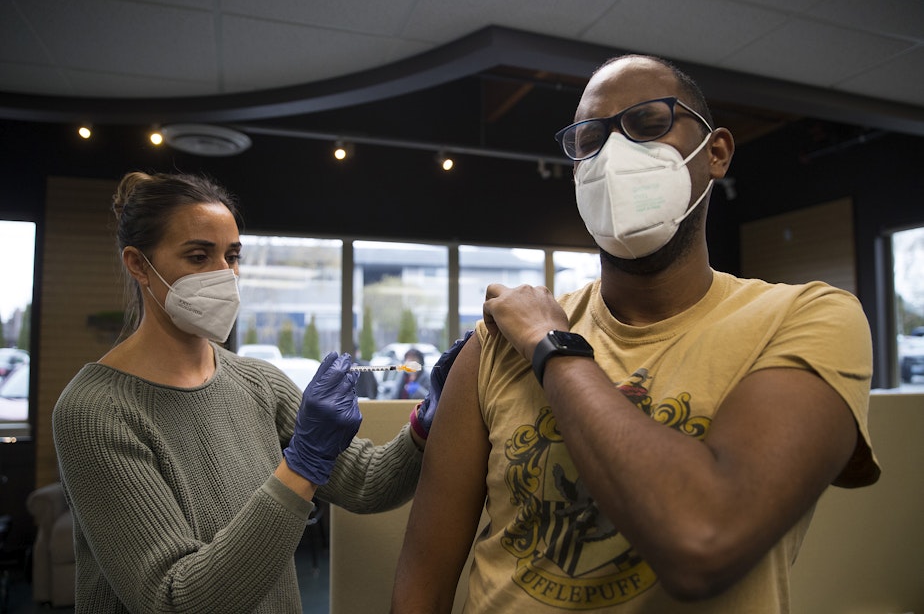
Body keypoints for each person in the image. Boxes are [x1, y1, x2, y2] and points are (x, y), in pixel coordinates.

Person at [391, 54, 880, 613]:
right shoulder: (497, 341)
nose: (615, 158)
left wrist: (553, 346)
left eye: (648, 125)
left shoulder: (806, 318)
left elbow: (705, 539)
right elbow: (420, 586)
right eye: (590, 140)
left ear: (716, 153)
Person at [51, 171, 462, 613]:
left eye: (231, 256)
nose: (223, 275)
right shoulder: (94, 411)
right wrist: (302, 466)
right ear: (138, 264)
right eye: (197, 256)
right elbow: (173, 600)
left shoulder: (258, 383)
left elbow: (368, 484)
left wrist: (428, 419)